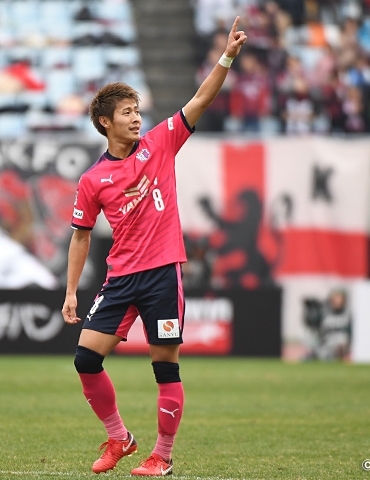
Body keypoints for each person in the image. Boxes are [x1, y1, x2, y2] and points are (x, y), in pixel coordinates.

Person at [61, 17, 247, 477]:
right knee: (86, 358)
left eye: (138, 109)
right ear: (105, 122)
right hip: (120, 277)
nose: (137, 118)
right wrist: (70, 292)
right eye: (127, 112)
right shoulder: (93, 180)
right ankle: (120, 438)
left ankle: (161, 456)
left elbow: (201, 99)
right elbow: (80, 235)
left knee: (164, 365)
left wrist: (226, 57)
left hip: (163, 272)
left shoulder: (161, 143)